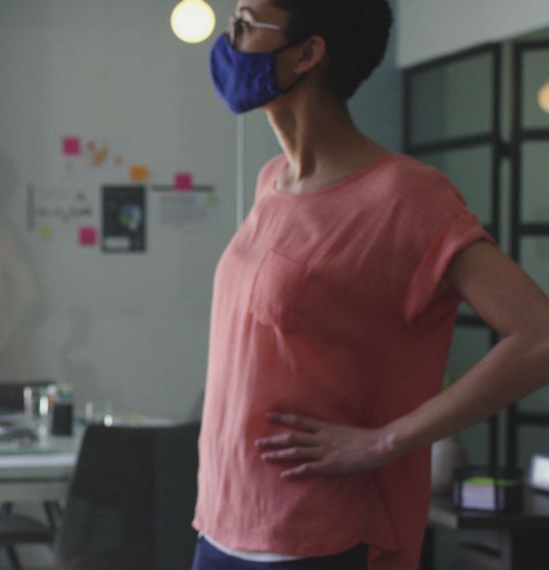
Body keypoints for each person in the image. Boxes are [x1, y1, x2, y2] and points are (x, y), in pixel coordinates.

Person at [192, 1, 549, 569]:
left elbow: (538, 337)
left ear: (307, 54)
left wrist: (385, 440)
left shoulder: (404, 195)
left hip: (312, 539)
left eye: (244, 23)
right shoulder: (270, 183)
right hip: (219, 524)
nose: (228, 41)